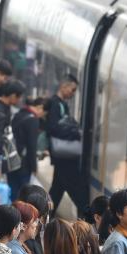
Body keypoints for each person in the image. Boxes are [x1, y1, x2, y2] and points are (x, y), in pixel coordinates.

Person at [46, 74, 89, 217]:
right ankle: (87, 215)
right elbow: (53, 128)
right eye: (73, 89)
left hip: (63, 156)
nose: (73, 93)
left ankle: (45, 217)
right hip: (64, 156)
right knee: (77, 190)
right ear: (64, 86)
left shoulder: (62, 104)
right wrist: (75, 133)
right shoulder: (55, 104)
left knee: (57, 190)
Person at [9, 95, 43, 197]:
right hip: (24, 162)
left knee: (13, 190)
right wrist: (34, 167)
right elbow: (32, 145)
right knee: (23, 193)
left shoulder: (17, 115)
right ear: (39, 107)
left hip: (12, 158)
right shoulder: (33, 120)